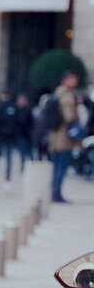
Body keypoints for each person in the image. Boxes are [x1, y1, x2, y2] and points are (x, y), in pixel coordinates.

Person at [49, 70, 81, 204]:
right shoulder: (67, 96)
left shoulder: (57, 94)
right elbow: (69, 117)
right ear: (65, 80)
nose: (75, 82)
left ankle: (53, 192)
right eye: (72, 79)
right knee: (61, 166)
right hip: (64, 137)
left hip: (55, 137)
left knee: (56, 166)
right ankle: (56, 194)